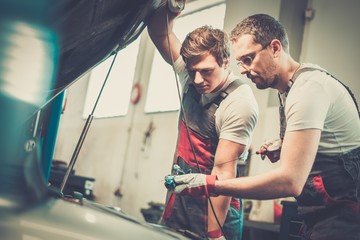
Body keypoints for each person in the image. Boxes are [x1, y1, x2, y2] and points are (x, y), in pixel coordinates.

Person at [169, 13, 360, 240]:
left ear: (275, 48)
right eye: (240, 62)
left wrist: (211, 183)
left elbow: (289, 181)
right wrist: (287, 144)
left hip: (345, 214)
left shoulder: (307, 90)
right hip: (320, 213)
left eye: (249, 59)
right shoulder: (290, 88)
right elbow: (333, 143)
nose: (243, 70)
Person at [146, 3, 259, 240]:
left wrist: (215, 234)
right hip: (181, 198)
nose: (197, 79)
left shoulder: (239, 102)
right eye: (192, 70)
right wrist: (172, 7)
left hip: (217, 204)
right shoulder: (193, 73)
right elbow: (158, 30)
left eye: (207, 71)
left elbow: (223, 173)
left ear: (225, 62)